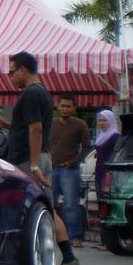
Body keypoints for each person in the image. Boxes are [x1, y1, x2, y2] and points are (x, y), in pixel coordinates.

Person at [0, 51, 80, 265]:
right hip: (37, 157)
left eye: (12, 72)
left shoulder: (30, 94)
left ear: (23, 70)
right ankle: (67, 257)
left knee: (37, 209)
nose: (10, 77)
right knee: (45, 207)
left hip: (30, 159)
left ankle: (57, 257)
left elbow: (36, 128)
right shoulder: (41, 93)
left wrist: (32, 165)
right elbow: (28, 127)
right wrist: (8, 124)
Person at [49, 94, 90, 247]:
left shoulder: (80, 125)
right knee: (50, 204)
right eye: (62, 106)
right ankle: (52, 236)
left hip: (70, 171)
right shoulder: (51, 123)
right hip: (51, 169)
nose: (65, 109)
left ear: (74, 108)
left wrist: (73, 162)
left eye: (68, 106)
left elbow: (87, 147)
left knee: (71, 205)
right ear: (58, 106)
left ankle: (75, 237)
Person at [93, 109, 119, 252]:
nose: (102, 123)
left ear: (111, 122)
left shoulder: (114, 136)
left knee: (107, 208)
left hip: (107, 176)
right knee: (101, 207)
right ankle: (104, 241)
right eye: (100, 120)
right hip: (99, 173)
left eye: (105, 120)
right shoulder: (101, 136)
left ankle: (108, 242)